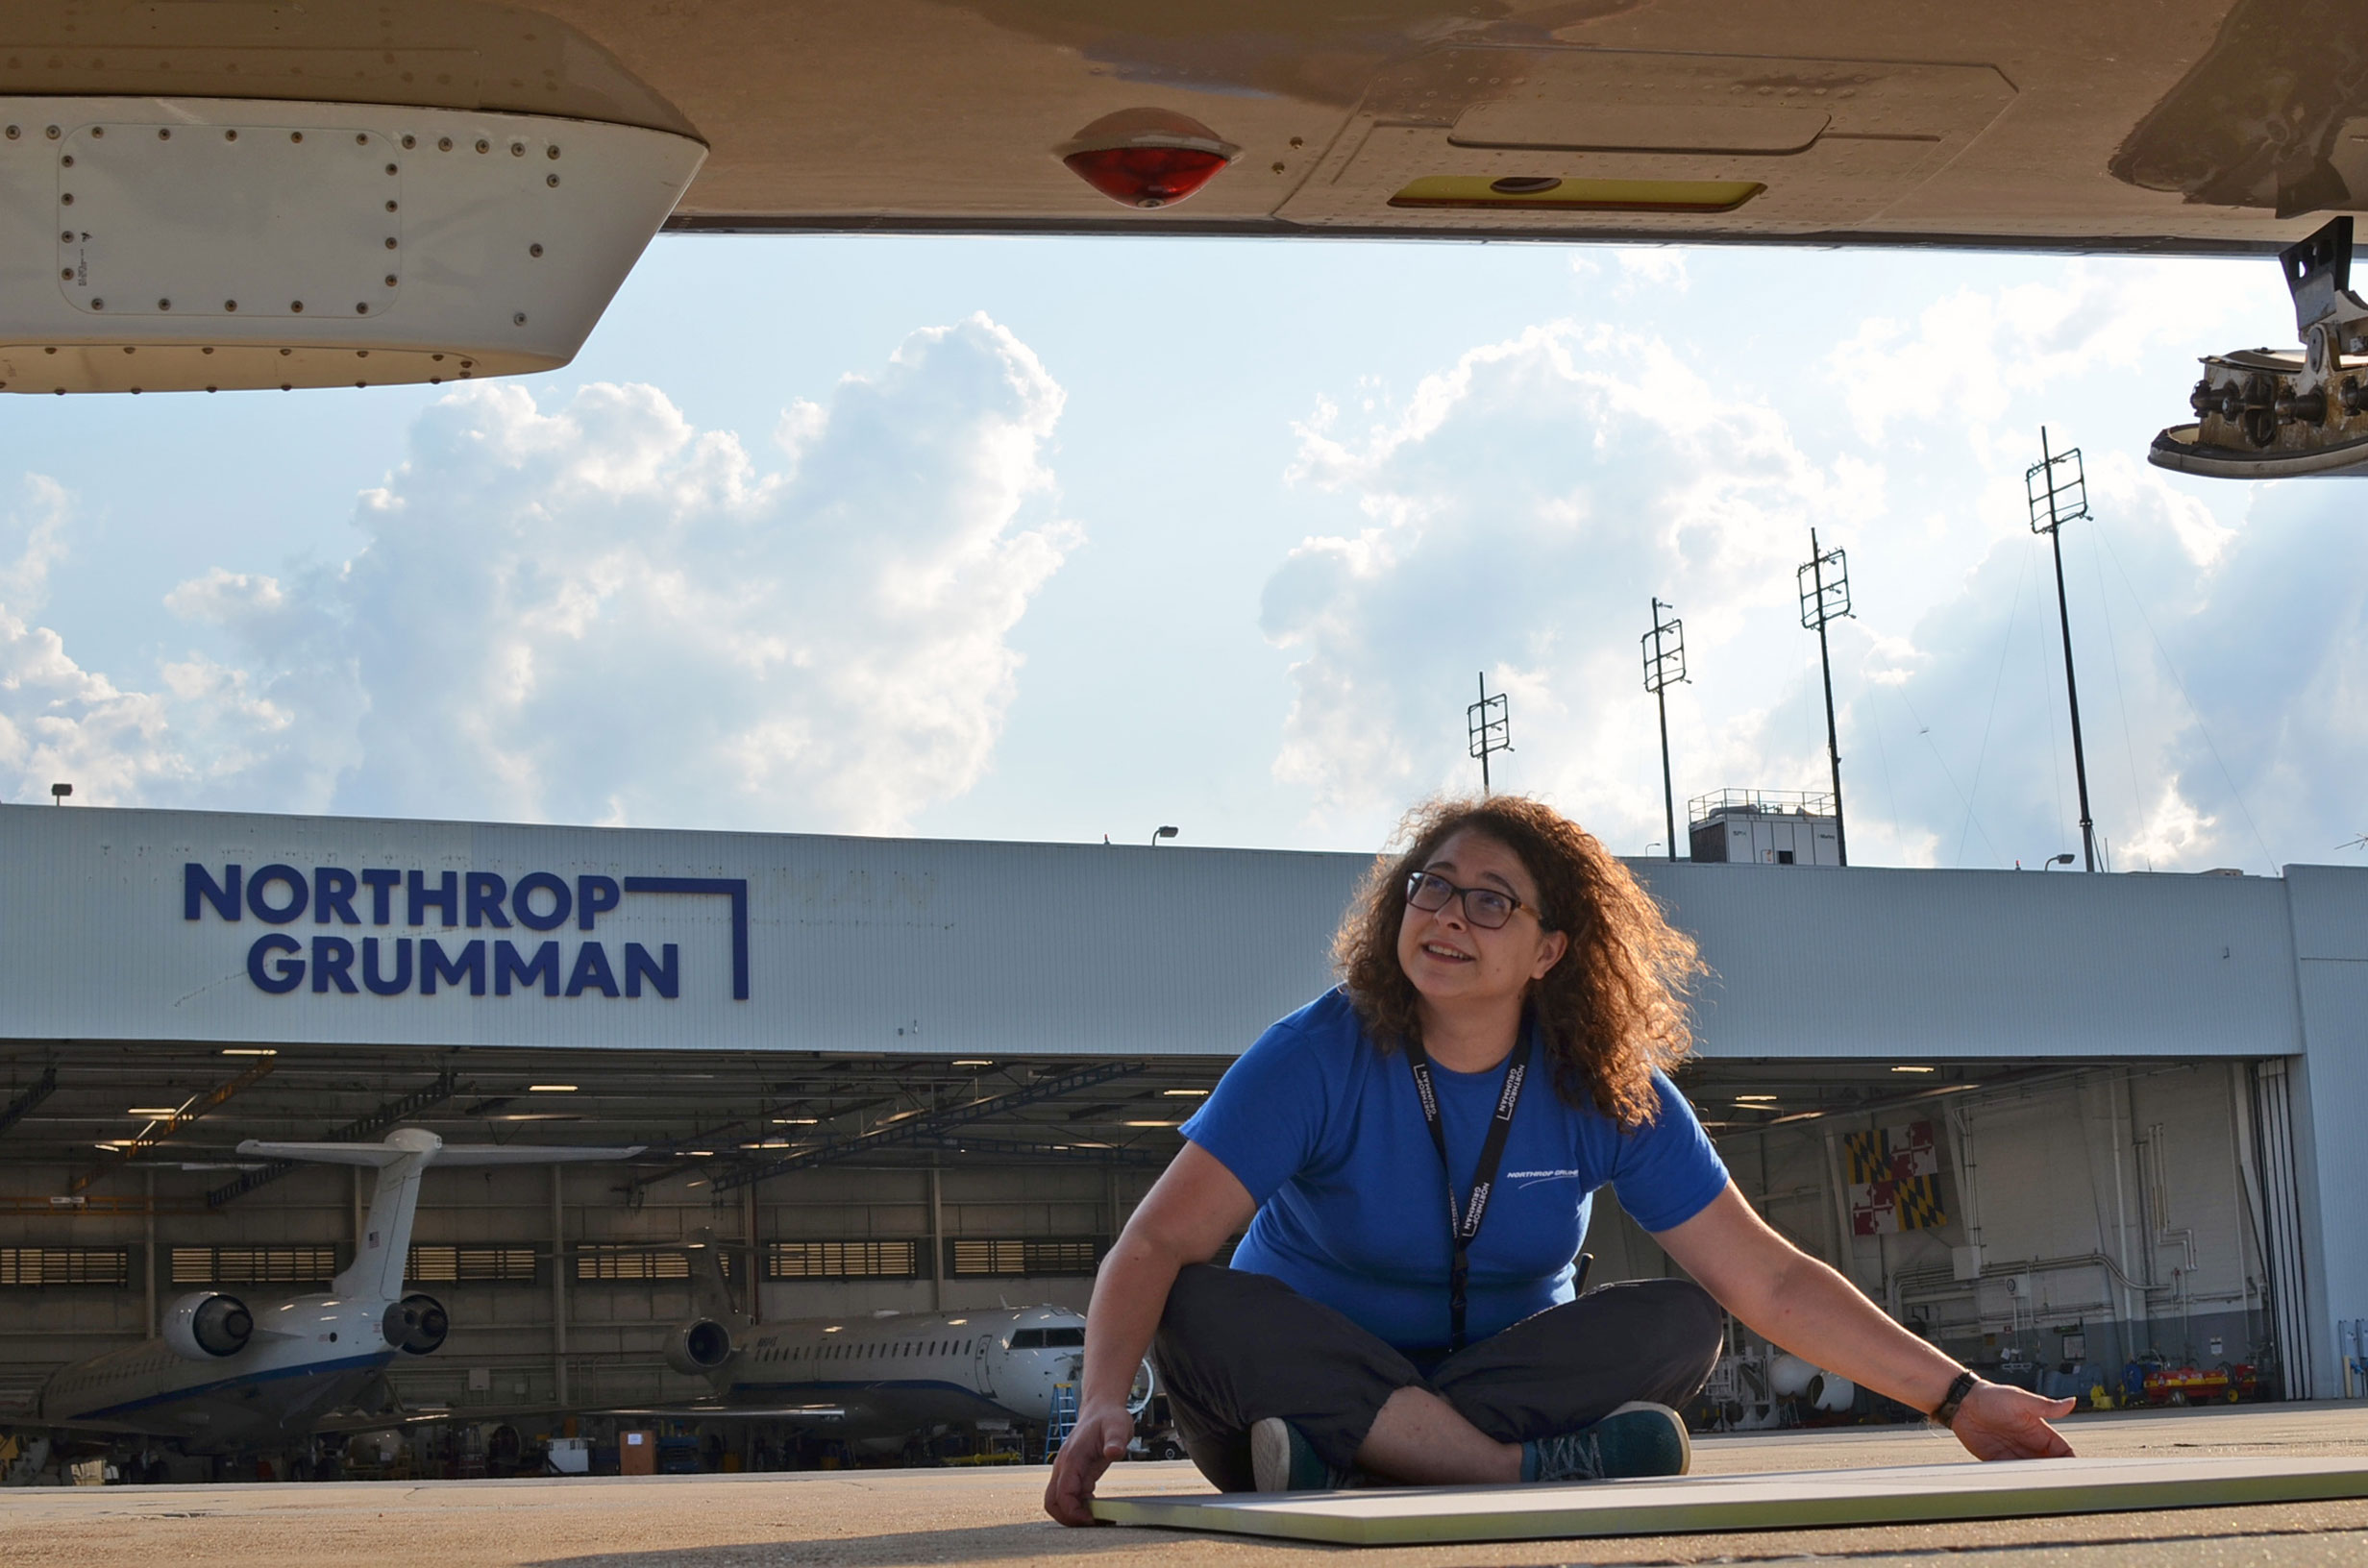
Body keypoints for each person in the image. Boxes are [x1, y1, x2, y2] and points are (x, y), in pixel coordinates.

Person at [1044, 796, 2075, 1526]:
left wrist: (1956, 1397)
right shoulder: (1315, 1055)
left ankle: (1368, 1464)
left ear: (1549, 951)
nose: (1449, 914)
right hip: (1300, 1386)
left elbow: (1765, 1279)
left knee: (1682, 1318)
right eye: (1431, 887)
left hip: (1477, 1385)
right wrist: (1100, 1403)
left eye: (1491, 900)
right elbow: (1154, 1244)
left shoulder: (1604, 1084)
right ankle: (1503, 1471)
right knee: (1195, 1303)